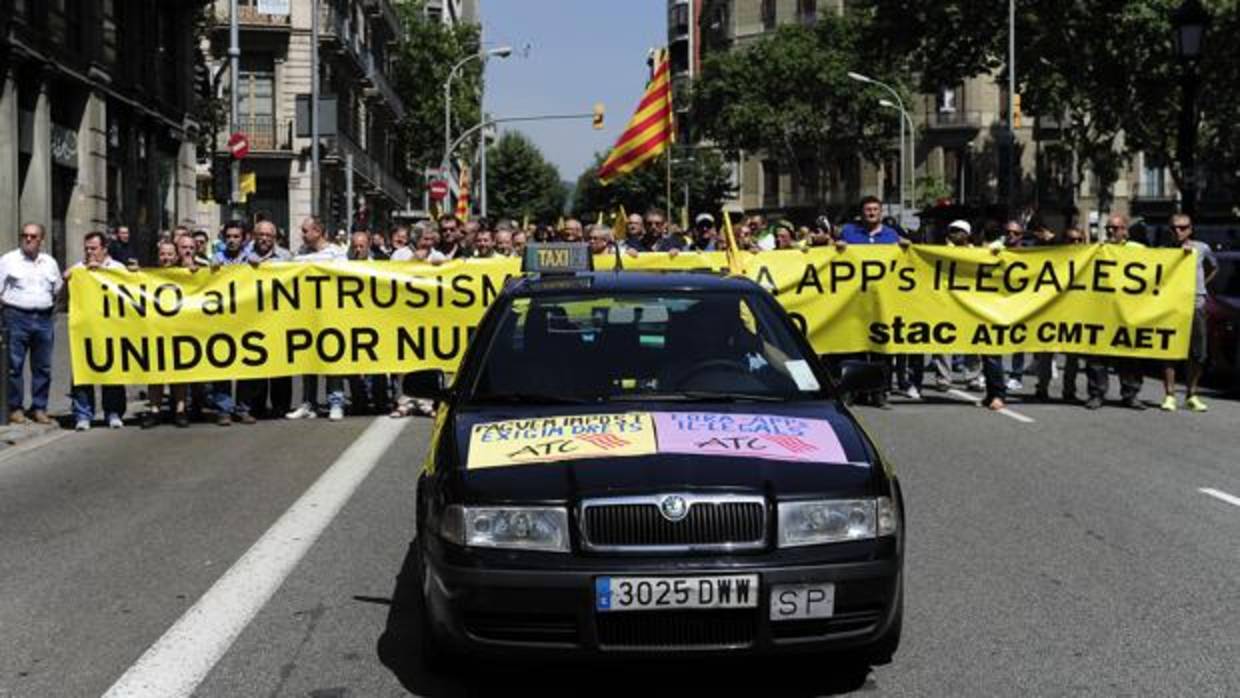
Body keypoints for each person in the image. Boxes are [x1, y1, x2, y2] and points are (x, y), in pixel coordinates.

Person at [1081, 214, 1148, 410]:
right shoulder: (1098, 250)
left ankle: (1131, 394)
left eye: (1116, 228)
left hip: (1128, 313)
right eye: (1109, 228)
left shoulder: (1138, 250)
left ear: (1125, 231)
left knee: (1130, 356)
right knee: (1097, 357)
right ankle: (1096, 394)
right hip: (1101, 312)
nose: (1111, 231)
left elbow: (1162, 264)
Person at [286, 216, 349, 421]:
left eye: (305, 231)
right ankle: (308, 404)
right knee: (307, 360)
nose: (302, 235)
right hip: (305, 316)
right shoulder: (300, 254)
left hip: (330, 316)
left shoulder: (337, 254)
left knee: (332, 360)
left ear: (317, 231)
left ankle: (336, 402)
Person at [1, 223, 63, 425]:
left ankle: (39, 408)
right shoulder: (8, 260)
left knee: (43, 367)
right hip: (15, 317)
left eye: (33, 236)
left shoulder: (50, 262)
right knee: (13, 366)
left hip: (44, 318)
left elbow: (57, 290)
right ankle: (15, 408)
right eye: (25, 235)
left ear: (41, 240)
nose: (28, 239)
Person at [66, 232, 128, 430]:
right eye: (86, 248)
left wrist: (101, 273)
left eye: (93, 248)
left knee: (112, 371)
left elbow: (129, 290)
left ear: (104, 249)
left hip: (111, 329)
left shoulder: (117, 268)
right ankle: (83, 414)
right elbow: (63, 286)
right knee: (83, 371)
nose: (89, 252)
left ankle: (113, 412)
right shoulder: (79, 268)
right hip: (85, 330)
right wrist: (72, 275)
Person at [1161, 213, 1217, 412]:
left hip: (1196, 305)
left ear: (1190, 229)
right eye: (1174, 228)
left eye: (1183, 227)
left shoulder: (1202, 248)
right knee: (1170, 350)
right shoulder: (1163, 251)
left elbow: (1213, 268)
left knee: (1198, 352)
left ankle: (1191, 394)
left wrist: (1201, 287)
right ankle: (1169, 395)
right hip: (1171, 306)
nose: (1179, 231)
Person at [141, 240, 191, 428]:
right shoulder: (147, 275)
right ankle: (155, 410)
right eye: (163, 254)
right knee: (155, 373)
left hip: (179, 329)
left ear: (176, 256)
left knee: (179, 374)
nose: (166, 258)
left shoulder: (186, 275)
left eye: (170, 254)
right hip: (155, 329)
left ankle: (180, 409)